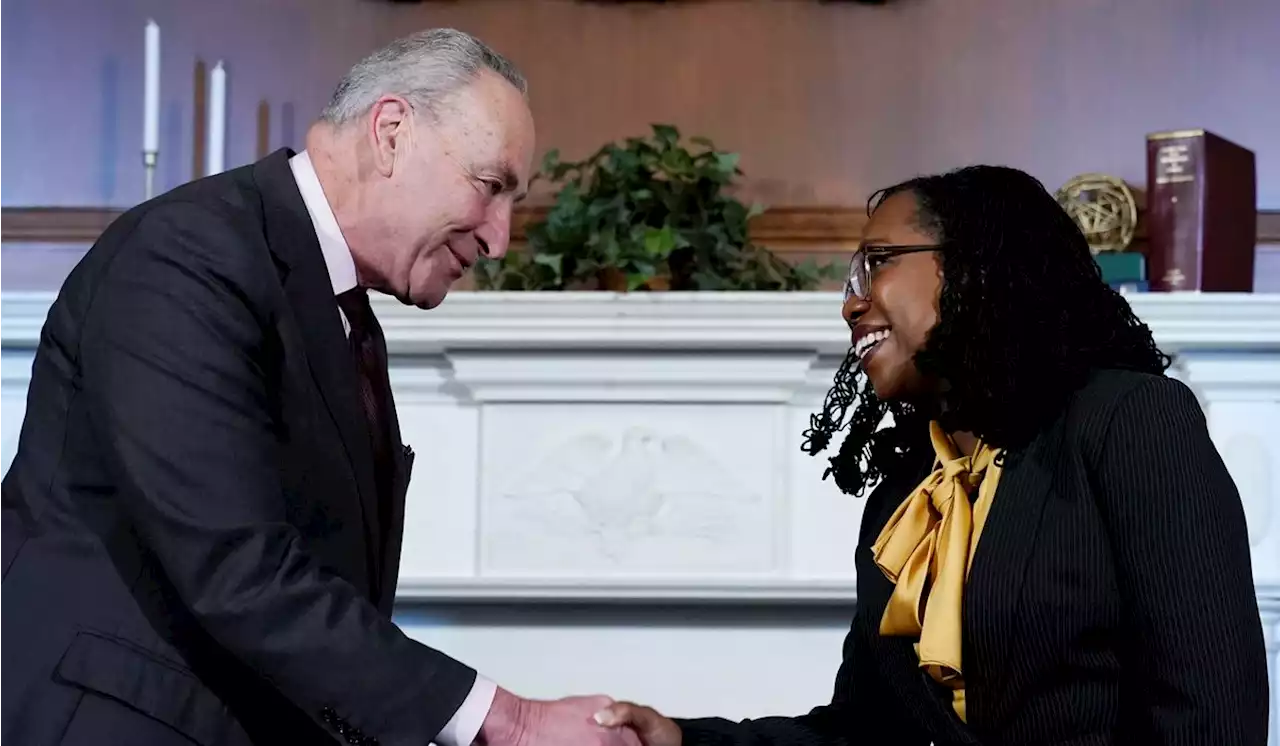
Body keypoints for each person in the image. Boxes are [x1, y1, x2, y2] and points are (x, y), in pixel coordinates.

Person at [0, 28, 636, 746]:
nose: (499, 238)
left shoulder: (341, 310)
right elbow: (235, 568)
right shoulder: (188, 254)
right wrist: (510, 722)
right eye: (490, 188)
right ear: (391, 131)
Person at [593, 165, 1270, 745]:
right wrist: (681, 736)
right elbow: (859, 733)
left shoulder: (1129, 420)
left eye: (875, 263)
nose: (852, 303)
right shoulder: (907, 495)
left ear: (975, 263)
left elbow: (1211, 713)